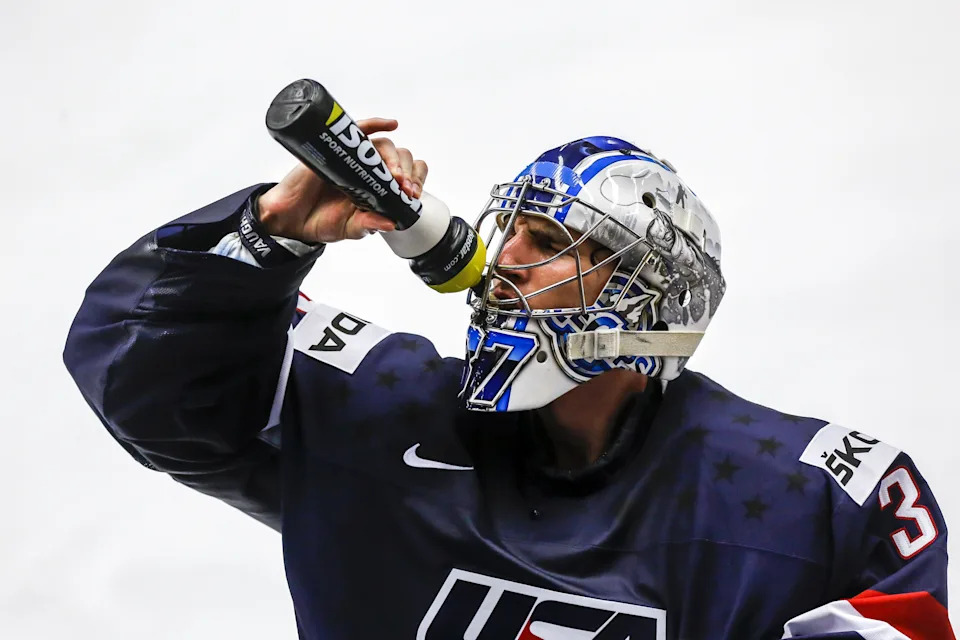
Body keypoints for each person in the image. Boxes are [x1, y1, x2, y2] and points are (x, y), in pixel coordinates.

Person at [64, 118, 953, 639]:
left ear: (650, 300)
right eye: (513, 229)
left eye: (557, 243)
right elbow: (140, 380)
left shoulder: (817, 497)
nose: (504, 262)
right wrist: (273, 233)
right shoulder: (379, 404)